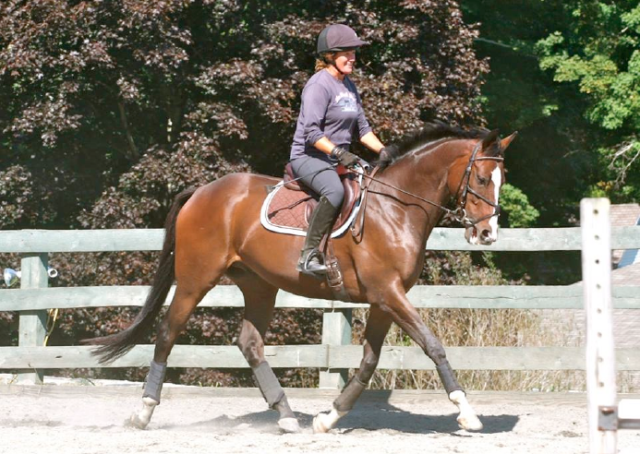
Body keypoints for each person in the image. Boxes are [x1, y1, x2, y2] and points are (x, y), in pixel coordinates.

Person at [289, 24, 397, 277]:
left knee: (373, 184)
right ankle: (308, 255)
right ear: (329, 56)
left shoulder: (348, 85)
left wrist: (386, 151)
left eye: (354, 52)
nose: (353, 57)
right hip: (309, 157)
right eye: (346, 52)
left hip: (339, 158)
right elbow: (312, 133)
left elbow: (363, 130)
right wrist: (339, 153)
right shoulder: (318, 85)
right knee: (335, 191)